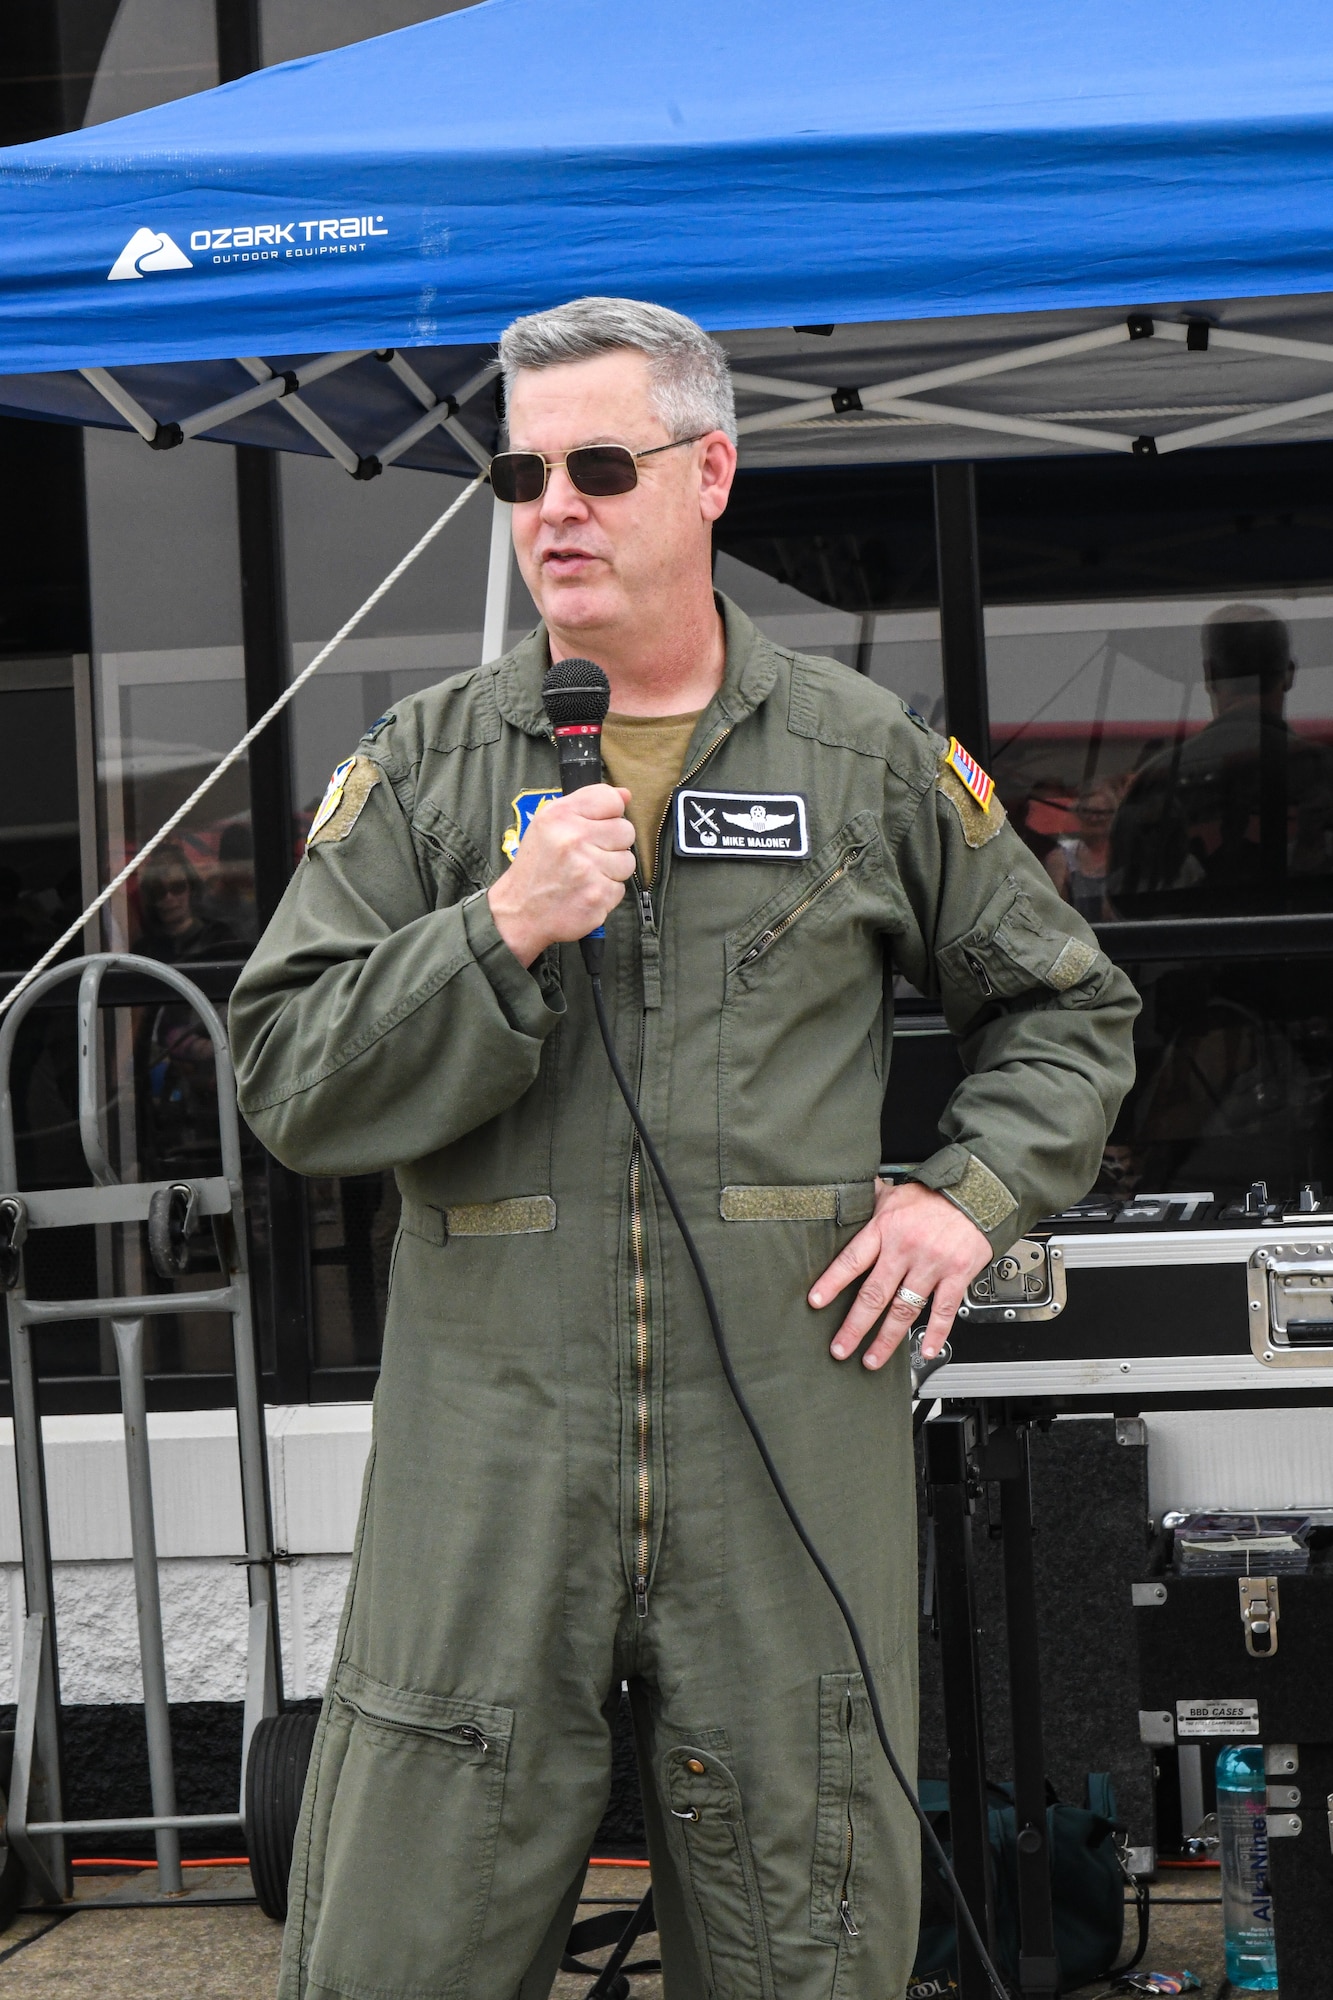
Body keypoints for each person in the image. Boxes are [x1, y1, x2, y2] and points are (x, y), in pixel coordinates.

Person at [228, 298, 1138, 2000]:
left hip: (783, 1454)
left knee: (810, 1928)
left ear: (708, 473)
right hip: (489, 1457)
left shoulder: (857, 755)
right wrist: (494, 930)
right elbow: (285, 1076)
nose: (550, 505)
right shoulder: (427, 768)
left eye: (597, 464)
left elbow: (1067, 1014)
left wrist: (963, 1200)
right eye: (519, 468)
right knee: (398, 1936)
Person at [1108, 604, 1333, 917]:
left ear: (1210, 674)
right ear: (1289, 673)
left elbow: (1127, 904)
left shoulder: (1158, 780)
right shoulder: (1323, 773)